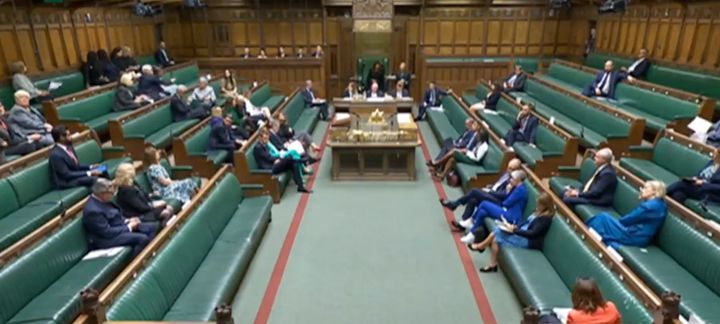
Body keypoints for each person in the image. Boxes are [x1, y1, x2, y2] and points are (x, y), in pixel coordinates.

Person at [469, 192, 556, 273]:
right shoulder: (538, 211)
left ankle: (481, 246)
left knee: (497, 232)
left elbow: (532, 233)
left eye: (539, 204)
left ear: (546, 205)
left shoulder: (545, 219)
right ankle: (492, 264)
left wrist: (514, 230)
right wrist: (515, 227)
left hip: (529, 241)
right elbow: (526, 223)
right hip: (522, 234)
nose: (537, 205)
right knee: (496, 237)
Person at [83, 178, 158, 257]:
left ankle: (149, 255)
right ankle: (135, 265)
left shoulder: (103, 200)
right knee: (142, 238)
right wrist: (129, 227)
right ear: (102, 194)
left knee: (151, 227)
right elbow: (106, 232)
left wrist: (127, 220)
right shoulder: (92, 211)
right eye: (111, 193)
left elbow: (115, 215)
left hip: (118, 227)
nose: (112, 195)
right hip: (105, 240)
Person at [442, 158, 523, 227]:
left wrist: (490, 191)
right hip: (492, 194)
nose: (508, 170)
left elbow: (504, 195)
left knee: (474, 191)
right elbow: (499, 184)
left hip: (498, 201)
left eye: (511, 169)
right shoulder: (506, 173)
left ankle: (455, 204)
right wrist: (491, 187)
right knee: (473, 199)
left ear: (517, 170)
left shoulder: (514, 181)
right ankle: (463, 223)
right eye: (508, 167)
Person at [587, 180, 667, 249]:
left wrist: (617, 223)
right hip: (642, 237)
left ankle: (586, 234)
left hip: (633, 236)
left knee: (603, 217)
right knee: (605, 221)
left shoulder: (648, 207)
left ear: (654, 191)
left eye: (645, 188)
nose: (642, 190)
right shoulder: (661, 204)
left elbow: (629, 219)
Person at [459, 170, 529, 244]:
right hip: (506, 210)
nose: (510, 180)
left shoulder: (521, 190)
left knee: (484, 203)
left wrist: (508, 191)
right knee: (483, 212)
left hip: (511, 216)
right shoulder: (516, 187)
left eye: (512, 178)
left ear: (518, 180)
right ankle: (472, 235)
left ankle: (472, 221)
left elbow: (506, 203)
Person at [254, 129, 312, 193]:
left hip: (274, 163)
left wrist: (278, 159)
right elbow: (269, 158)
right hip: (270, 168)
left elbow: (271, 156)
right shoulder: (258, 147)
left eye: (267, 137)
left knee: (293, 163)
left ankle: (300, 186)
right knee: (289, 159)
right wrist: (278, 159)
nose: (266, 140)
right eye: (265, 138)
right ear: (260, 137)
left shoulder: (264, 144)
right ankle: (303, 161)